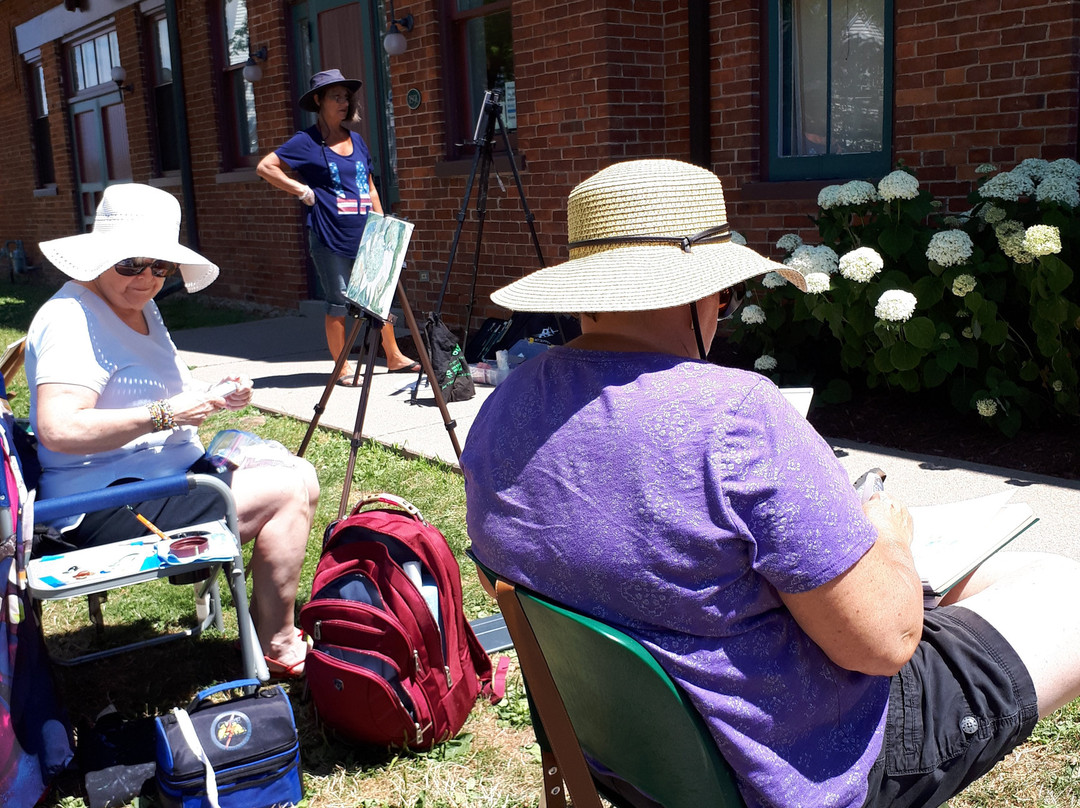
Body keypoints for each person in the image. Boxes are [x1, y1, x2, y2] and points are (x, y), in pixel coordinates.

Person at [461, 159, 1080, 808]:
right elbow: (888, 643)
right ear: (702, 295)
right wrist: (887, 536)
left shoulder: (505, 409)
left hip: (626, 758)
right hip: (792, 763)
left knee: (999, 576)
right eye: (724, 295)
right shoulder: (733, 417)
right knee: (1063, 587)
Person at [27, 183, 319, 679]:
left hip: (152, 482)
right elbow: (59, 428)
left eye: (159, 266)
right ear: (101, 256)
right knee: (291, 487)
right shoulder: (71, 319)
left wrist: (214, 391)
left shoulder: (136, 305)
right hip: (102, 506)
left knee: (296, 471)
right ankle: (276, 638)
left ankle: (266, 622)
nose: (146, 278)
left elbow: (162, 388)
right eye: (131, 264)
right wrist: (167, 414)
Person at [256, 68, 418, 385]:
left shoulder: (356, 141)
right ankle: (342, 367)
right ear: (319, 100)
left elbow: (369, 187)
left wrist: (382, 224)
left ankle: (394, 357)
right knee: (339, 301)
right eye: (336, 97)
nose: (344, 102)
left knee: (377, 296)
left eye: (346, 97)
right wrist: (301, 190)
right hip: (329, 236)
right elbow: (266, 167)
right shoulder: (306, 142)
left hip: (366, 233)